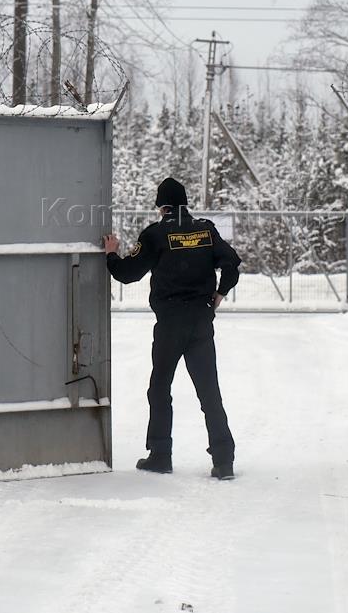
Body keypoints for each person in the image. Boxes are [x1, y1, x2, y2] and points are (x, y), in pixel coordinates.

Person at [103, 177, 241, 480]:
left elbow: (127, 274)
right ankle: (224, 460)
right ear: (184, 204)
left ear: (161, 207)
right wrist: (220, 293)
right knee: (209, 391)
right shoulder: (206, 230)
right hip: (201, 322)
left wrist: (111, 253)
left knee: (160, 388)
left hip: (170, 325)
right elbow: (232, 263)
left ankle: (160, 455)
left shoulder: (156, 234)